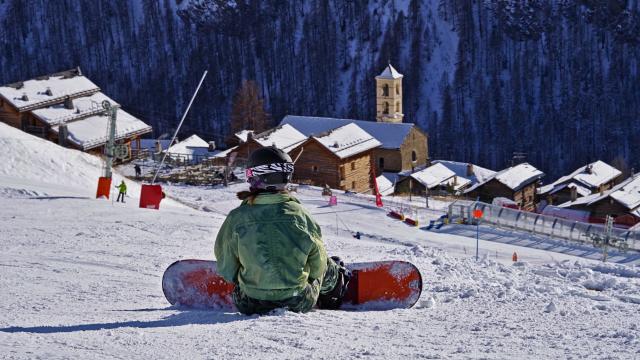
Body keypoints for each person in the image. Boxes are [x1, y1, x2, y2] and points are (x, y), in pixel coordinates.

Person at [214, 146, 350, 315]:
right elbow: (318, 266)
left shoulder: (236, 218)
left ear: (253, 176)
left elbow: (227, 268)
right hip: (298, 301)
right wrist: (308, 278)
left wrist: (247, 277)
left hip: (250, 303)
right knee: (327, 262)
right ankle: (336, 287)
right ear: (287, 176)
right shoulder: (300, 215)